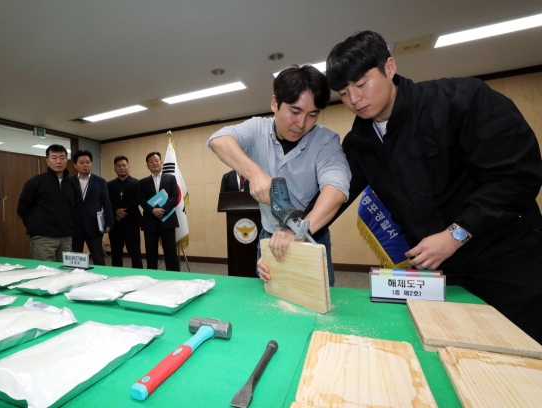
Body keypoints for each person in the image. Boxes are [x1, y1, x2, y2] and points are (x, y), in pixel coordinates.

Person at [315, 30, 542, 342]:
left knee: (522, 353)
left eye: (361, 84)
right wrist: (293, 232)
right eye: (343, 92)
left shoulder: (461, 100)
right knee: (454, 349)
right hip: (442, 274)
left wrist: (456, 233)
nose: (354, 99)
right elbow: (335, 195)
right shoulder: (360, 143)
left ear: (389, 68)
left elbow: (518, 174)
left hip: (507, 260)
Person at [208, 65, 351, 285]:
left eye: (312, 115)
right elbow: (219, 140)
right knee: (270, 305)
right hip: (269, 237)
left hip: (312, 235)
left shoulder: (325, 141)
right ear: (275, 103)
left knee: (317, 310)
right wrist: (254, 173)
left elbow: (337, 188)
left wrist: (299, 231)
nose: (302, 124)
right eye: (294, 112)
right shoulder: (257, 129)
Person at [17, 144, 80, 262]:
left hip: (66, 238)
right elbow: (22, 207)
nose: (58, 161)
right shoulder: (36, 182)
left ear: (67, 161)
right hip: (44, 238)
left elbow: (76, 208)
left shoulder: (72, 184)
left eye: (62, 158)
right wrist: (34, 225)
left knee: (66, 272)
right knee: (46, 272)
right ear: (47, 161)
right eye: (54, 158)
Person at [70, 150, 114, 266]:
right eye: (82, 162)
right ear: (75, 165)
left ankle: (101, 281)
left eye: (88, 162)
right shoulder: (69, 182)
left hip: (94, 225)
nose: (85, 165)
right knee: (75, 258)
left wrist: (109, 222)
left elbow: (106, 203)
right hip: (75, 226)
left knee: (98, 257)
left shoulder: (100, 181)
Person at [138, 152, 180, 271]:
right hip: (150, 221)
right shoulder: (143, 182)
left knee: (170, 252)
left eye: (157, 161)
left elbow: (174, 196)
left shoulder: (171, 178)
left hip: (168, 219)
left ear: (161, 163)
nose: (154, 163)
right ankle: (152, 277)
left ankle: (173, 278)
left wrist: (163, 210)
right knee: (151, 253)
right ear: (147, 165)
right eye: (151, 162)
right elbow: (141, 200)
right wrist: (152, 210)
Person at [107, 155, 143, 268]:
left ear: (128, 167)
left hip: (132, 224)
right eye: (119, 166)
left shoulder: (137, 183)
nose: (122, 168)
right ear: (115, 169)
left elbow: (137, 200)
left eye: (124, 165)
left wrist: (122, 213)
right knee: (116, 254)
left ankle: (138, 277)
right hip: (115, 226)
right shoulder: (109, 185)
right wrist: (116, 211)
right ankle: (116, 278)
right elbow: (107, 201)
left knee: (135, 254)